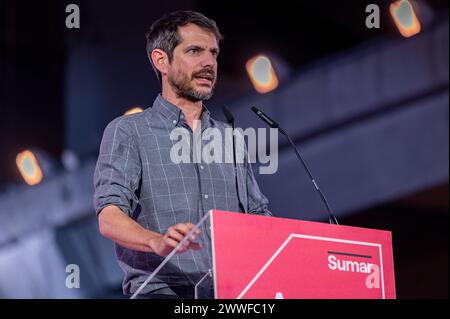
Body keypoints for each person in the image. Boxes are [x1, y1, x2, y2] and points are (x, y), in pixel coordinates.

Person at [93, 10, 271, 299]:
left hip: (232, 293)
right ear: (161, 60)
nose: (209, 63)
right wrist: (156, 241)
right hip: (163, 290)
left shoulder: (231, 138)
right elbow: (110, 217)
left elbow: (258, 216)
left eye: (213, 53)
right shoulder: (129, 131)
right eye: (194, 51)